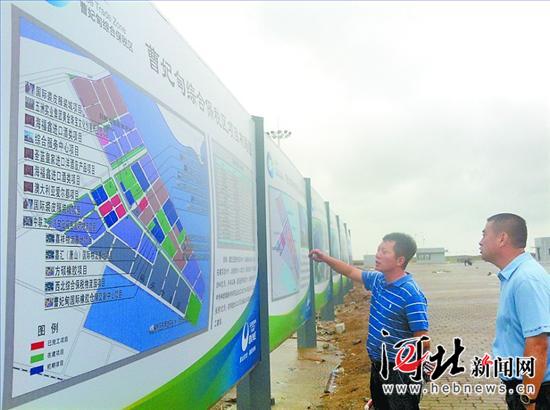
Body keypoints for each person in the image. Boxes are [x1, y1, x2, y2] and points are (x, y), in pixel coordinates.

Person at [310, 232, 429, 410]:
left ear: (400, 260)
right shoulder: (378, 280)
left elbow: (422, 339)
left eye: (384, 252)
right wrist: (325, 258)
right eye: (378, 250)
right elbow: (350, 271)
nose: (377, 255)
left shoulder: (411, 294)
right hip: (378, 366)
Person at [479, 213, 550, 409]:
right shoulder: (515, 275)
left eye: (484, 234)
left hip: (537, 392)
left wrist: (528, 400)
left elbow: (538, 344)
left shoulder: (526, 279)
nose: (480, 241)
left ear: (502, 238)